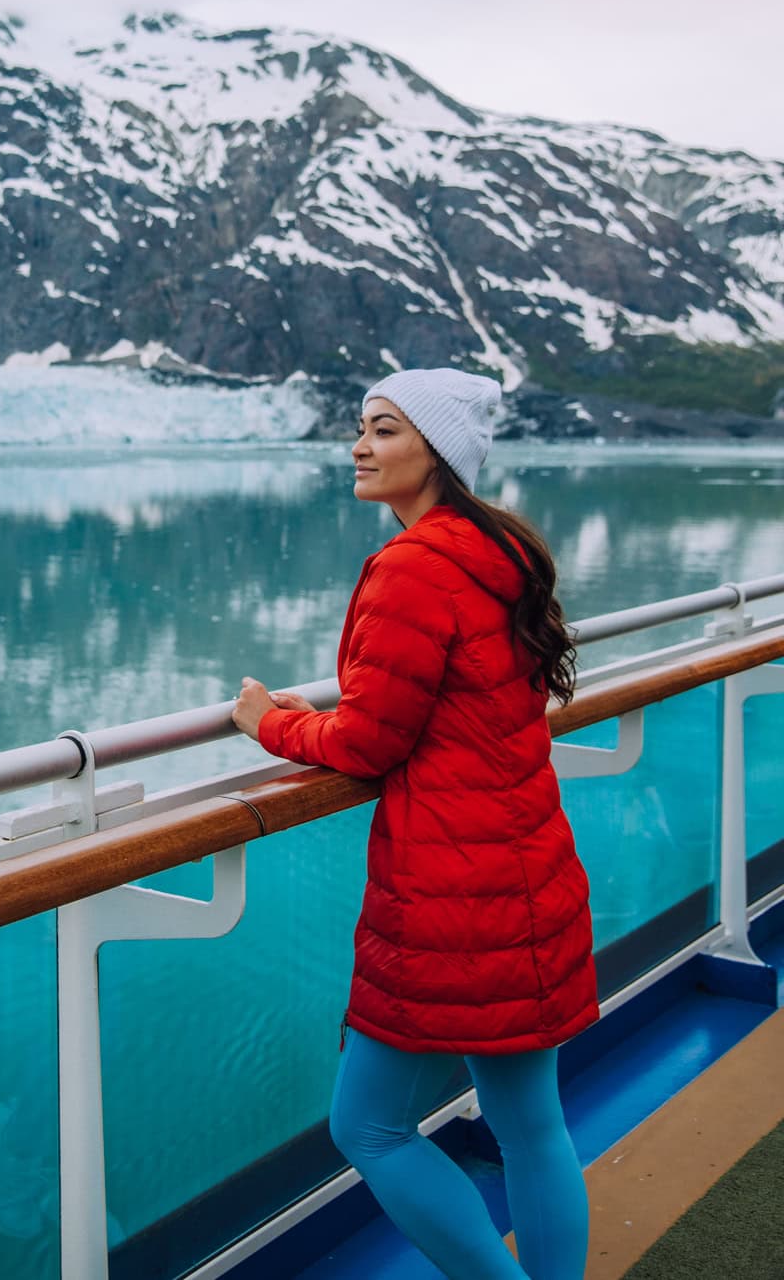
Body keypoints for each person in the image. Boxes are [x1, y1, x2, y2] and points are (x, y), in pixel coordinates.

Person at [231, 367, 598, 1280]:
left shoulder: (412, 569)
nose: (360, 445)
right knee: (533, 1129)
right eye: (361, 426)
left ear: (436, 451)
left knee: (370, 1126)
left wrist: (265, 722)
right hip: (527, 874)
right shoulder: (500, 552)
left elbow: (367, 738)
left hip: (448, 897)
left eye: (385, 429)